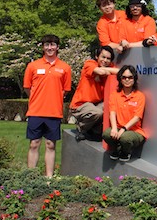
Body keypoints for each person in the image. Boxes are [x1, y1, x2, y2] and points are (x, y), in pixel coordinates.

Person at [23, 34, 72, 177]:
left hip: (54, 112)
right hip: (35, 111)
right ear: (43, 47)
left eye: (52, 45)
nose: (50, 48)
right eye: (47, 45)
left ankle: (48, 177)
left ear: (57, 47)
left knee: (50, 145)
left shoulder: (65, 68)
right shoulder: (33, 66)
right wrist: (37, 99)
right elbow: (27, 87)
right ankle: (30, 176)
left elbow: (65, 90)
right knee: (34, 144)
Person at [69, 46, 119, 141]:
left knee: (111, 107)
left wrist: (105, 71)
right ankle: (81, 128)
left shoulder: (108, 67)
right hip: (80, 105)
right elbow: (100, 71)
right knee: (97, 112)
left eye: (108, 58)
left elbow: (120, 71)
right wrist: (103, 72)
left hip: (96, 104)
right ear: (97, 56)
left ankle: (94, 131)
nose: (105, 60)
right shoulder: (90, 64)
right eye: (103, 57)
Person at [102, 65, 147, 162]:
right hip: (118, 127)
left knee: (125, 138)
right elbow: (112, 112)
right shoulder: (115, 95)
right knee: (106, 134)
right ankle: (116, 149)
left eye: (130, 77)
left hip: (134, 131)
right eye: (124, 77)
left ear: (134, 79)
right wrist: (114, 128)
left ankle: (125, 152)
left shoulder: (140, 96)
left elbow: (137, 117)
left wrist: (123, 129)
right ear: (120, 79)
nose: (127, 80)